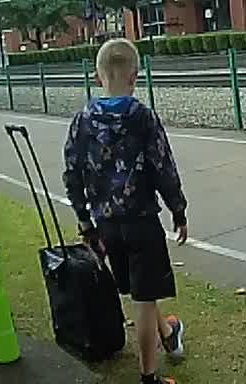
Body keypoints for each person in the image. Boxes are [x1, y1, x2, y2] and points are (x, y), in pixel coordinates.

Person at [63, 38, 189, 384]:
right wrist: (178, 208)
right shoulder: (142, 117)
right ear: (135, 76)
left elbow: (72, 172)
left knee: (138, 290)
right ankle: (149, 377)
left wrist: (85, 222)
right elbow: (163, 165)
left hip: (105, 224)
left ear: (97, 76)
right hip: (142, 222)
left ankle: (169, 334)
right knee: (144, 300)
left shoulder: (82, 120)